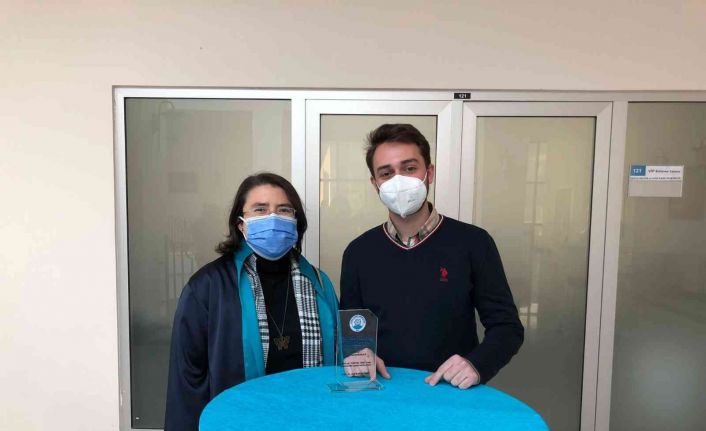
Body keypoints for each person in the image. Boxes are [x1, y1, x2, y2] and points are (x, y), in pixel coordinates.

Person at [340, 124, 523, 390]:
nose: (398, 180)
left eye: (409, 168)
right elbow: (354, 331)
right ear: (375, 184)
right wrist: (358, 354)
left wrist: (476, 364)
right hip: (382, 393)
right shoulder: (358, 252)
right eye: (386, 173)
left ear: (430, 173)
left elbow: (507, 327)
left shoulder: (474, 243)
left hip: (451, 393)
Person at [165, 173, 338, 431]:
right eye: (260, 209)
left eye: (284, 210)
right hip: (241, 422)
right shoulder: (208, 287)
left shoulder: (319, 284)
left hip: (310, 419)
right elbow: (187, 379)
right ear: (241, 224)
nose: (273, 218)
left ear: (296, 221)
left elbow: (339, 359)